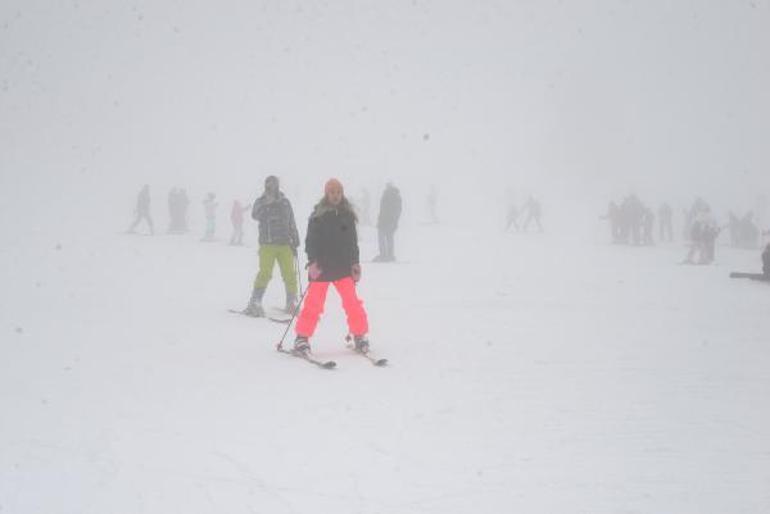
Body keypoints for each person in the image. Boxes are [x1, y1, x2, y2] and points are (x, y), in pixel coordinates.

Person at [292, 179, 370, 355]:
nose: (335, 195)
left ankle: (359, 335)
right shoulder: (318, 215)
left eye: (338, 192)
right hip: (322, 267)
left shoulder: (347, 215)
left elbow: (352, 242)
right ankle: (302, 338)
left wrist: (355, 263)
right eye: (332, 192)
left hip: (343, 267)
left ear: (341, 194)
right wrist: (312, 262)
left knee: (352, 303)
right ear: (327, 194)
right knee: (314, 304)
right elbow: (310, 241)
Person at [242, 176, 300, 316]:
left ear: (277, 185)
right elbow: (254, 215)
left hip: (285, 244)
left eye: (273, 184)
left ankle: (291, 302)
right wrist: (266, 204)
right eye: (268, 184)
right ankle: (255, 301)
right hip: (267, 244)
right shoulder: (260, 202)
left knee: (290, 274)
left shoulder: (285, 202)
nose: (271, 187)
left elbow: (291, 220)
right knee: (265, 273)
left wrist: (295, 237)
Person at [374, 182, 402, 262]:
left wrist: (381, 220)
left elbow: (384, 210)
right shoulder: (396, 196)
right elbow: (398, 210)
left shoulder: (387, 195)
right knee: (389, 237)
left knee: (382, 237)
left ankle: (384, 255)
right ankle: (390, 255)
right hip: (390, 221)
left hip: (385, 221)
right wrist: (395, 221)